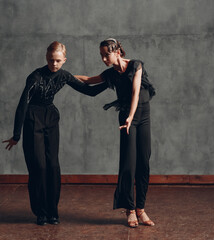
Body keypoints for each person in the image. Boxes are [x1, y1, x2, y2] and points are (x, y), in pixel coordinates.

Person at [3, 41, 107, 226]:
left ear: (64, 60)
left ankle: (52, 211)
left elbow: (89, 92)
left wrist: (110, 81)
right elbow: (22, 105)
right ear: (46, 58)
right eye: (51, 60)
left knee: (52, 166)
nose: (54, 64)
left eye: (58, 61)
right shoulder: (35, 77)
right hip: (32, 119)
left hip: (50, 119)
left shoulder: (64, 76)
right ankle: (40, 212)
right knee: (39, 167)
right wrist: (16, 134)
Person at [75, 38, 156, 228]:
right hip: (126, 120)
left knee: (144, 162)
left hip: (141, 116)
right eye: (101, 55)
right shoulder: (110, 74)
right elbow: (89, 81)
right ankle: (129, 209)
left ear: (117, 52)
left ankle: (141, 209)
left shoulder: (136, 65)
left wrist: (131, 115)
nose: (104, 58)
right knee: (129, 163)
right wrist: (67, 76)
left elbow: (136, 91)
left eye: (106, 55)